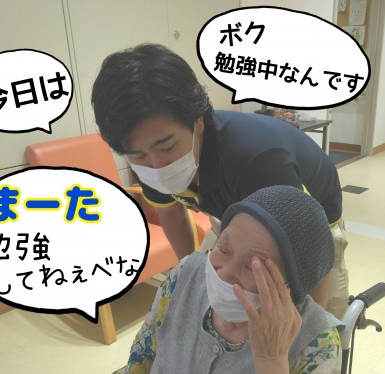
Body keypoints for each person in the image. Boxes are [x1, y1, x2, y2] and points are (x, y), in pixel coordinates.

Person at [91, 43, 349, 318]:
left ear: (198, 122)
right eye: (138, 155)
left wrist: (310, 331)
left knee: (315, 318)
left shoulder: (256, 160)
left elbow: (314, 249)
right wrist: (189, 278)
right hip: (233, 208)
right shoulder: (150, 160)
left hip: (312, 221)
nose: (157, 166)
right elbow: (172, 215)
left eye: (167, 147)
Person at [86, 185, 343, 374]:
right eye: (224, 248)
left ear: (289, 288)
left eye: (252, 268)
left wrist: (272, 360)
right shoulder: (186, 274)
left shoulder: (317, 344)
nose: (223, 273)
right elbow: (145, 349)